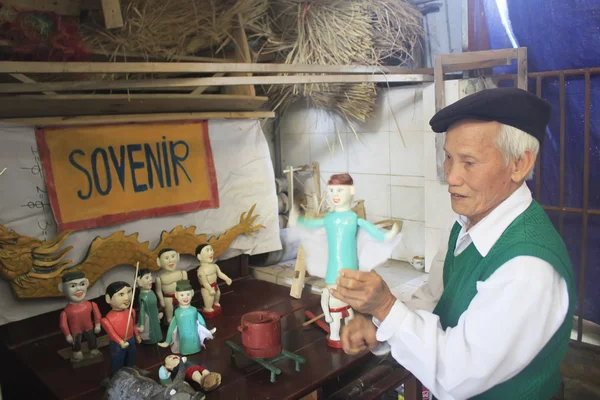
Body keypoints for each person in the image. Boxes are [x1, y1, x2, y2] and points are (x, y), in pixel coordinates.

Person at [332, 87, 576, 400]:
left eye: (469, 162)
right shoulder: (468, 226)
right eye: (449, 157)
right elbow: (435, 301)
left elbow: (455, 377)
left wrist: (385, 306)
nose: (451, 177)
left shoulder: (526, 269)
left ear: (519, 164)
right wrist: (381, 328)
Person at [158, 279, 215, 355]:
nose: (185, 297)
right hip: (184, 343)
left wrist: (207, 331)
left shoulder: (194, 310)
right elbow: (172, 327)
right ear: (176, 295)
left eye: (188, 294)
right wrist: (167, 341)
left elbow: (201, 321)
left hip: (195, 342)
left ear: (192, 293)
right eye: (182, 295)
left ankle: (196, 347)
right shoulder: (177, 312)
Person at [58, 271, 102, 362]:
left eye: (82, 284)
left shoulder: (91, 304)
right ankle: (76, 352)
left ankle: (93, 349)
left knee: (92, 338)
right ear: (62, 288)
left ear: (87, 283)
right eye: (73, 286)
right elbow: (63, 325)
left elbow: (97, 315)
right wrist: (67, 335)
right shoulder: (66, 311)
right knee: (76, 342)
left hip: (89, 327)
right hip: (75, 331)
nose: (78, 289)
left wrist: (98, 324)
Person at [101, 281, 142, 376]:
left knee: (131, 357)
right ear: (108, 299)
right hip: (118, 344)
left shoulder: (131, 311)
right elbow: (112, 334)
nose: (127, 298)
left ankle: (131, 372)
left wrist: (137, 335)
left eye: (129, 292)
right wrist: (120, 342)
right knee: (117, 359)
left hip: (131, 339)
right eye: (121, 294)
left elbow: (133, 325)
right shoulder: (107, 319)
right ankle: (116, 376)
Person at [136, 269, 163, 344]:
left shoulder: (151, 292)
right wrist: (141, 325)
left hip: (154, 316)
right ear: (139, 281)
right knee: (150, 331)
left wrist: (157, 314)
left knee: (156, 330)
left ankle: (157, 338)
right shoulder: (142, 297)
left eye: (150, 276)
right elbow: (141, 312)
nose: (151, 279)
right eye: (147, 277)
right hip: (147, 318)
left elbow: (155, 305)